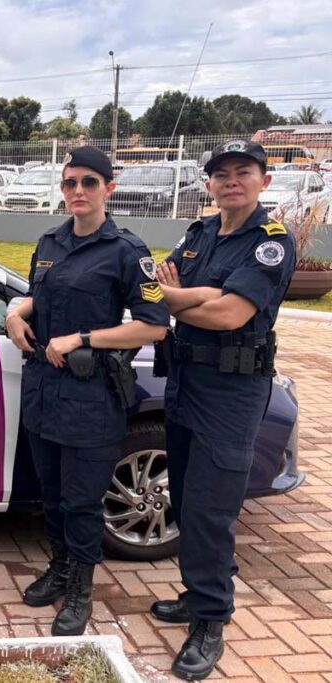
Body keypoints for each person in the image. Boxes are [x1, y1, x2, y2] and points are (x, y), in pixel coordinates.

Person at [4, 146, 169, 637]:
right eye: (69, 182)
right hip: (44, 392)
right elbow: (39, 294)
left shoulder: (127, 251)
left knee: (80, 503)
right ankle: (59, 569)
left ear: (108, 189)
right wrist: (16, 313)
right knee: (51, 496)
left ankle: (80, 590)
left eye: (88, 183)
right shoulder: (50, 242)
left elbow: (153, 326)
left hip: (92, 396)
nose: (77, 191)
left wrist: (83, 338)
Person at [151, 139, 295, 680]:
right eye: (222, 174)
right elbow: (173, 287)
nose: (231, 180)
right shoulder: (200, 233)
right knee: (185, 499)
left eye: (244, 172)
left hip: (233, 393)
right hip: (186, 382)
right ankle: (196, 594)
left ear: (264, 181)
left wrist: (179, 298)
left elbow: (231, 314)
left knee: (212, 508)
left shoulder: (272, 244)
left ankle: (211, 619)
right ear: (209, 183)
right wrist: (194, 294)